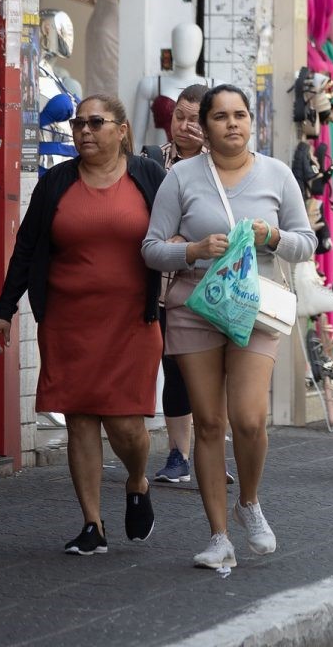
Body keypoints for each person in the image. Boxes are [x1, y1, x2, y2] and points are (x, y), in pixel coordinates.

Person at [143, 84, 318, 569]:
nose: (232, 124)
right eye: (220, 117)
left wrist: (274, 235)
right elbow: (151, 248)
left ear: (251, 122)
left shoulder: (277, 175)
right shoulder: (180, 177)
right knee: (209, 423)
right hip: (194, 307)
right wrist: (193, 251)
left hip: (256, 309)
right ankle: (218, 536)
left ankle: (250, 503)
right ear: (205, 125)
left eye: (240, 115)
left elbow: (308, 242)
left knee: (248, 418)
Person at [0, 95, 167, 555]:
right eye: (77, 123)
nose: (84, 131)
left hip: (132, 321)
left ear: (122, 129)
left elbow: (175, 234)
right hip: (68, 322)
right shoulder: (55, 184)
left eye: (95, 122)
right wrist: (3, 309)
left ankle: (136, 479)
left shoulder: (149, 177)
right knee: (81, 419)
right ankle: (93, 525)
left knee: (127, 425)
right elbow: (26, 249)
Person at [139, 84, 225, 485]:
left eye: (195, 118)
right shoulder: (149, 160)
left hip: (209, 285)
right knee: (172, 368)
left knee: (212, 373)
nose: (186, 126)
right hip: (160, 284)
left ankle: (212, 453)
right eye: (179, 117)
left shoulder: (222, 166)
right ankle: (178, 455)